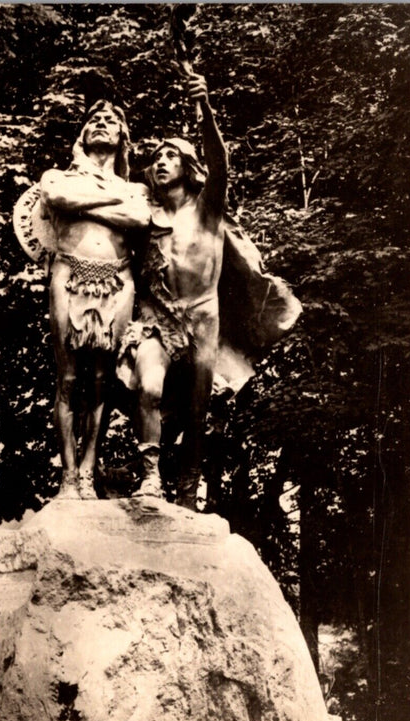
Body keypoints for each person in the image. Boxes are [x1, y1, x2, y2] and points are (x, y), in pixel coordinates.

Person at [118, 75, 302, 510]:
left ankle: (186, 491)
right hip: (155, 320)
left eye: (171, 155)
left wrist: (204, 108)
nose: (161, 161)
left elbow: (220, 162)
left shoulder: (207, 210)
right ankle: (149, 478)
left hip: (203, 320)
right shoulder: (143, 216)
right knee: (149, 389)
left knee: (199, 413)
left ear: (187, 165)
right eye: (157, 156)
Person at [23, 100, 150, 498]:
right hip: (68, 274)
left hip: (118, 281)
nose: (102, 125)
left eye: (111, 122)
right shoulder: (57, 177)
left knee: (101, 382)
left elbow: (141, 219)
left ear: (122, 138)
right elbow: (60, 200)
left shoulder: (136, 189)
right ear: (82, 135)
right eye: (94, 120)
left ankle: (88, 473)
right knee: (67, 378)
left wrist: (97, 201)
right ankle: (67, 476)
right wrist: (113, 201)